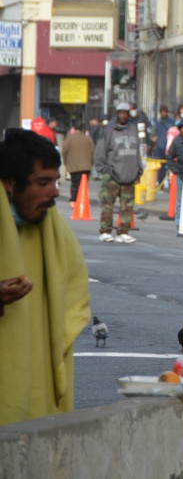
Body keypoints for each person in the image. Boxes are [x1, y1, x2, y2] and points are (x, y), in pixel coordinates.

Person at [0, 129, 90, 426]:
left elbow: (75, 289)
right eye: (43, 182)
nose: (54, 192)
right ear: (10, 184)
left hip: (36, 373)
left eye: (55, 181)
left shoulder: (52, 227)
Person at [94, 103, 144, 243]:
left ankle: (123, 232)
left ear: (129, 114)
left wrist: (139, 170)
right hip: (112, 174)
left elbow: (137, 152)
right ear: (116, 113)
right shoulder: (108, 130)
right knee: (107, 204)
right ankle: (105, 231)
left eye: (125, 113)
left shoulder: (133, 129)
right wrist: (103, 170)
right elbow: (100, 151)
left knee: (127, 206)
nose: (123, 115)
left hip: (129, 174)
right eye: (120, 113)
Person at [61, 121, 95, 204]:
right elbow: (92, 152)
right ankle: (82, 199)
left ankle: (74, 199)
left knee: (75, 184)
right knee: (83, 184)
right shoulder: (88, 139)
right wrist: (91, 164)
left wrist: (66, 163)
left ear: (74, 129)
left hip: (74, 167)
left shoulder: (69, 139)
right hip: (86, 167)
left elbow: (64, 152)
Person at [152, 105, 175, 184]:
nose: (163, 113)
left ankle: (170, 182)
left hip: (169, 147)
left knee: (170, 165)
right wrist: (154, 139)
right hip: (159, 147)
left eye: (164, 112)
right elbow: (153, 133)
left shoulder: (172, 122)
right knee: (159, 166)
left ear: (167, 112)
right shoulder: (157, 122)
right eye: (161, 112)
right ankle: (160, 182)